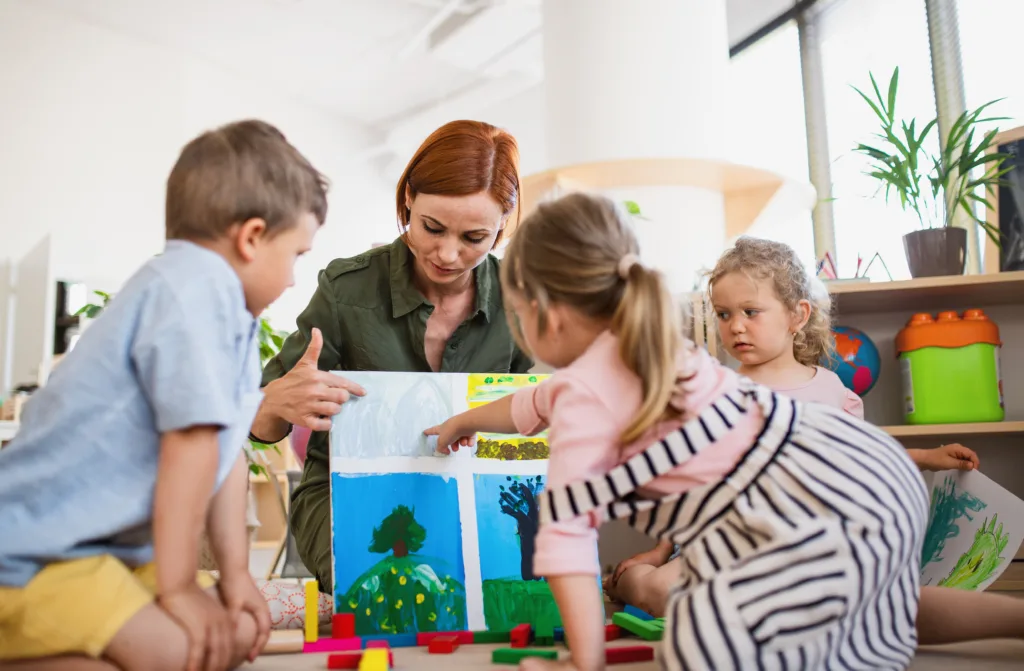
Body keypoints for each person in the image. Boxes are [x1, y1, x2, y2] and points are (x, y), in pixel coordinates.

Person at [425, 194, 927, 670]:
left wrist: (584, 659)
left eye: (515, 315)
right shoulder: (650, 351)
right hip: (871, 473)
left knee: (693, 640)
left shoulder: (583, 399)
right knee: (876, 602)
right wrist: (465, 419)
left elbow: (566, 542)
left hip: (816, 508)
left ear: (543, 312)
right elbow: (532, 403)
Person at [0, 119, 326, 671]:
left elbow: (221, 459)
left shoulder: (233, 320)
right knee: (179, 649)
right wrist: (177, 589)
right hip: (37, 554)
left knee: (238, 629)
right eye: (296, 254)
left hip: (106, 554)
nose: (295, 279)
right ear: (250, 237)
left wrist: (237, 573)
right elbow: (192, 446)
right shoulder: (193, 289)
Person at [609, 236, 1024, 647]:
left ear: (797, 315)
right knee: (663, 590)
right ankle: (628, 582)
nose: (735, 326)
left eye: (751, 311)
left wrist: (927, 457)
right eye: (723, 313)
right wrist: (659, 552)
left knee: (894, 606)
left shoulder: (831, 392)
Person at [251, 119, 532, 590]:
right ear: (408, 200)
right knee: (377, 589)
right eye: (432, 227)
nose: (446, 253)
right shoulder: (346, 290)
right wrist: (274, 404)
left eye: (473, 239)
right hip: (345, 492)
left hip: (472, 491)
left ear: (502, 227)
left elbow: (530, 425)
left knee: (496, 592)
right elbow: (261, 428)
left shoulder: (520, 302)